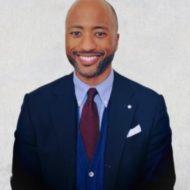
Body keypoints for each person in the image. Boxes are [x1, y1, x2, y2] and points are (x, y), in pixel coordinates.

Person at [11, 0, 176, 189]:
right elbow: (23, 185)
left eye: (99, 33)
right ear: (66, 37)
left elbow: (160, 185)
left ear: (116, 39)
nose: (87, 45)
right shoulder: (35, 106)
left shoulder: (151, 107)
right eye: (76, 33)